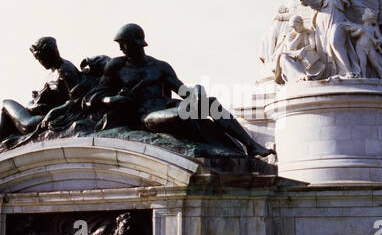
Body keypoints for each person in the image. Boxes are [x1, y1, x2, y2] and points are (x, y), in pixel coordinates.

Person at [87, 23, 273, 157]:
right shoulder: (116, 66)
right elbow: (95, 96)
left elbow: (182, 91)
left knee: (210, 103)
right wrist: (111, 100)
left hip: (167, 106)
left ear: (137, 43)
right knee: (183, 113)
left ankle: (251, 145)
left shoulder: (160, 66)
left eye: (124, 43)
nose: (120, 48)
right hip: (146, 116)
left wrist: (198, 92)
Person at [0, 37, 80, 145]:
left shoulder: (65, 70)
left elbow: (76, 100)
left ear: (49, 53)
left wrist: (53, 112)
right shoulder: (53, 72)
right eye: (37, 59)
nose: (40, 62)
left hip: (40, 120)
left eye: (40, 58)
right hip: (37, 114)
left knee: (6, 103)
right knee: (5, 115)